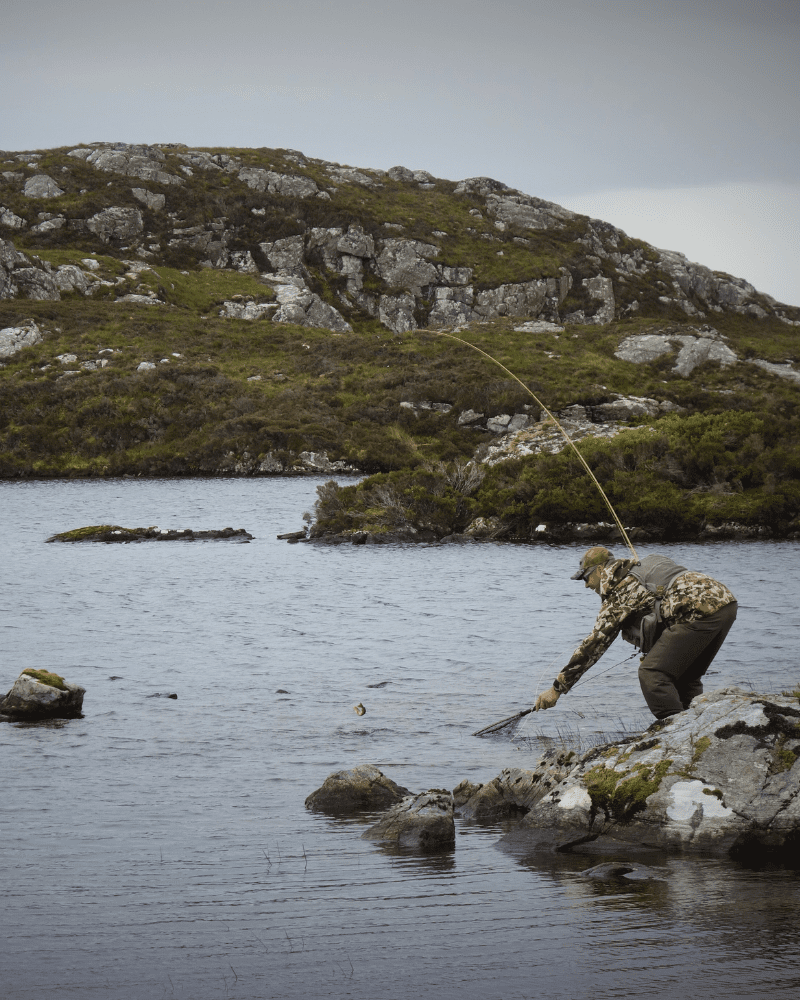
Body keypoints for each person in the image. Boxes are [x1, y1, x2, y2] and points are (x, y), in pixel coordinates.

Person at [534, 546, 738, 719]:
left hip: (700, 612)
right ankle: (697, 725)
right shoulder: (636, 572)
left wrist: (557, 689)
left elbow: (594, 645)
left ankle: (675, 732)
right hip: (725, 604)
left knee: (652, 674)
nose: (586, 585)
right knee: (685, 677)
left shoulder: (622, 591)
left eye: (586, 578)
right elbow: (664, 607)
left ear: (599, 571)